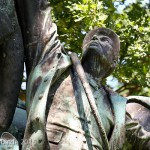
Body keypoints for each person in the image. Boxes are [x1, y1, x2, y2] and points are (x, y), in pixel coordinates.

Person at [21, 1, 150, 150]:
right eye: (93, 39)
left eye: (104, 40)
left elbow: (142, 138)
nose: (96, 39)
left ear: (114, 62)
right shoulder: (58, 67)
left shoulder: (117, 105)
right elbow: (40, 15)